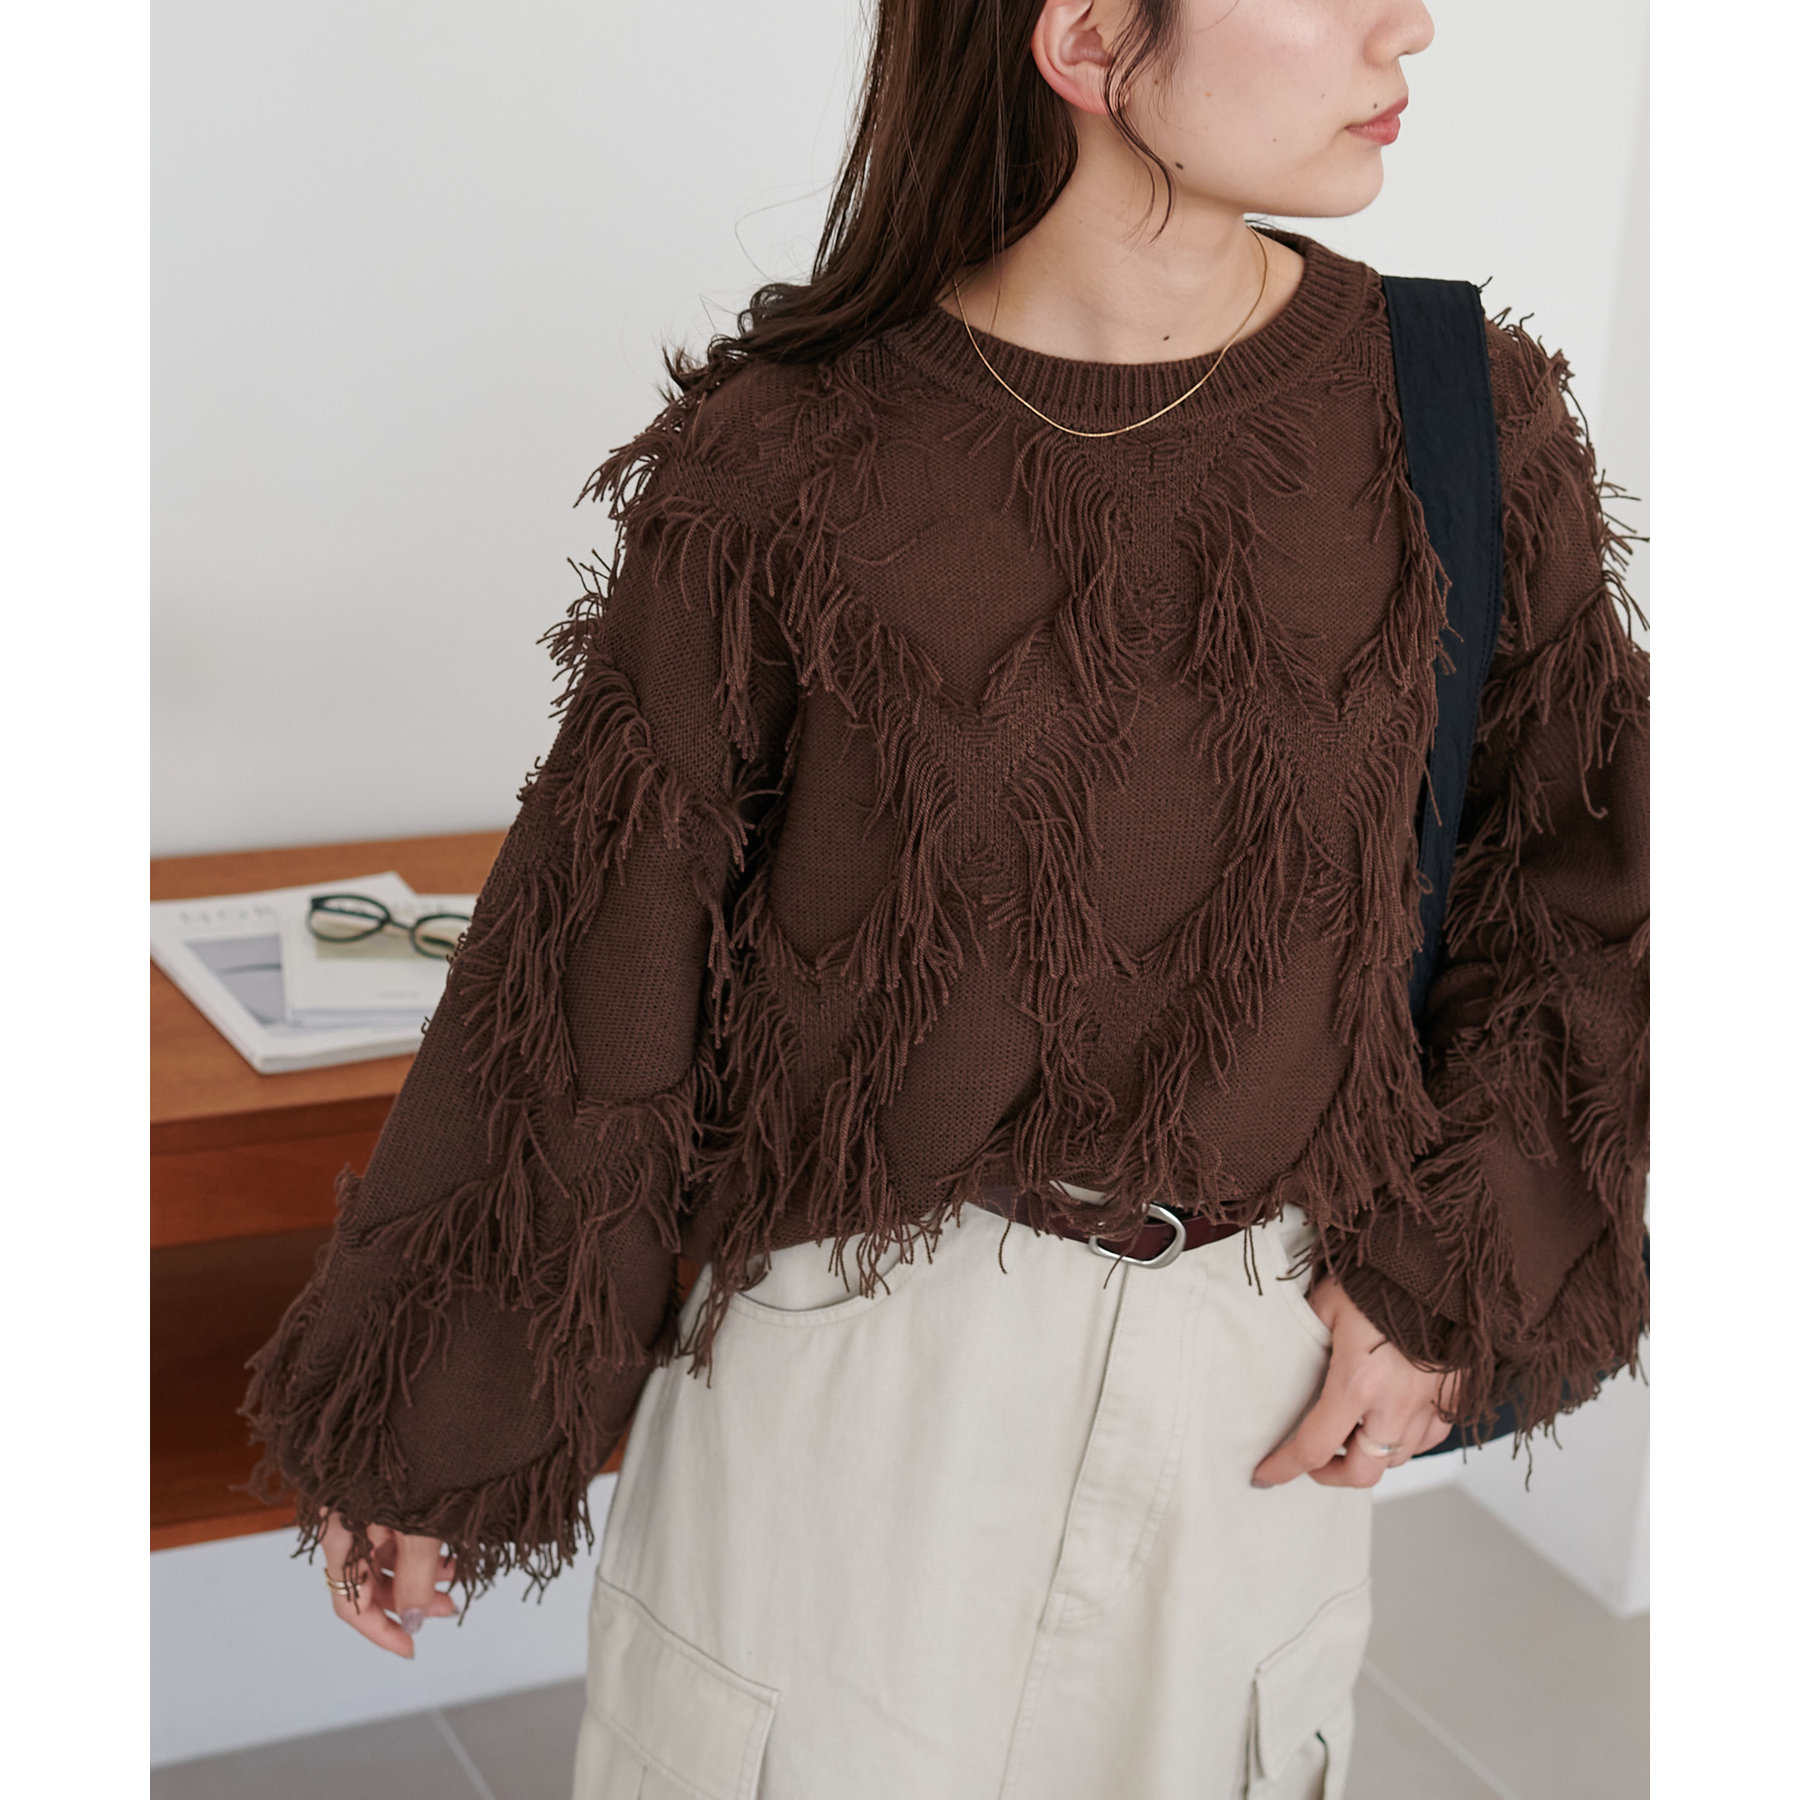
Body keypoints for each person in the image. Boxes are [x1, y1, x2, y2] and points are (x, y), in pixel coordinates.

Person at [242, 3, 1649, 1795]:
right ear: (1088, 38)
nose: (1410, 24)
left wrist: (1447, 1278)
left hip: (1256, 1384)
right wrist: (440, 1423)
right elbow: (601, 949)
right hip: (858, 1377)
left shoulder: (1460, 416)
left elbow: (1590, 885)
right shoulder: (794, 449)